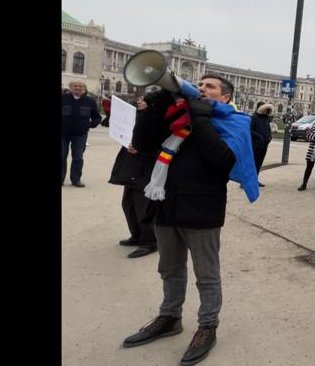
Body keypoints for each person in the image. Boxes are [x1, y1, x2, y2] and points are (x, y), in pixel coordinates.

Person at [122, 74, 238, 366]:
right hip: (166, 206)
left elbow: (222, 161)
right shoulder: (175, 119)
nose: (201, 89)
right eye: (199, 85)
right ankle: (170, 317)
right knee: (169, 269)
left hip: (202, 210)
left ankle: (207, 327)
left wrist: (200, 118)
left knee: (206, 275)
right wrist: (156, 103)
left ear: (225, 97)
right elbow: (142, 142)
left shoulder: (234, 123)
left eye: (210, 87)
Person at [108, 94, 158, 258]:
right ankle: (136, 235)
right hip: (131, 164)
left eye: (146, 100)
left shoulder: (158, 119)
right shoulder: (137, 116)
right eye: (141, 99)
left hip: (146, 167)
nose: (140, 101)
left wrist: (142, 148)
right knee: (128, 204)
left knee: (143, 206)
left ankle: (150, 241)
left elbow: (163, 145)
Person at [61, 80, 102, 187]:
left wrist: (89, 125)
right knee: (61, 156)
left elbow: (97, 118)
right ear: (71, 87)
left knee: (78, 158)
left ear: (83, 88)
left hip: (80, 135)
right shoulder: (63, 98)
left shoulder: (90, 101)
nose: (78, 88)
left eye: (80, 86)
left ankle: (76, 180)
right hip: (63, 134)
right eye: (75, 86)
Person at [250, 102, 273, 187]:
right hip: (255, 145)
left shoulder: (266, 118)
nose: (267, 112)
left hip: (264, 145)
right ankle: (245, 182)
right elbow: (250, 130)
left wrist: (270, 136)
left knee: (259, 163)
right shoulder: (254, 117)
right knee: (253, 163)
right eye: (266, 109)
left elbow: (268, 129)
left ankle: (255, 180)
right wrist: (259, 136)